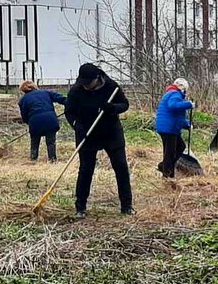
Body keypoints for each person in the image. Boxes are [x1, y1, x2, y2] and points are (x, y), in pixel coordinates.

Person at [64, 63, 133, 219]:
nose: (86, 86)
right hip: (87, 134)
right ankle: (80, 206)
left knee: (121, 167)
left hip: (111, 132)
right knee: (86, 169)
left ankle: (127, 206)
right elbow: (69, 112)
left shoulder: (111, 87)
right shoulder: (76, 90)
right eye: (83, 83)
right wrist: (77, 126)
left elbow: (125, 104)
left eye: (88, 83)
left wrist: (113, 108)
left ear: (97, 78)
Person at [154, 78, 194, 178]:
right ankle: (168, 175)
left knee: (179, 147)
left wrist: (187, 125)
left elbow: (177, 115)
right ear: (181, 87)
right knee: (170, 153)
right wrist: (188, 104)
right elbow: (173, 106)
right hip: (169, 128)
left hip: (169, 127)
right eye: (185, 89)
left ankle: (164, 166)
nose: (185, 91)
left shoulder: (171, 93)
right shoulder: (175, 93)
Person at [17, 80, 66, 162]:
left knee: (35, 142)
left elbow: (24, 116)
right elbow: (61, 99)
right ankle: (52, 160)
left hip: (35, 122)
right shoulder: (45, 92)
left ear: (23, 90)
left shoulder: (23, 100)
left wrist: (29, 123)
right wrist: (72, 104)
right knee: (51, 142)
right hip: (50, 120)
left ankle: (33, 159)